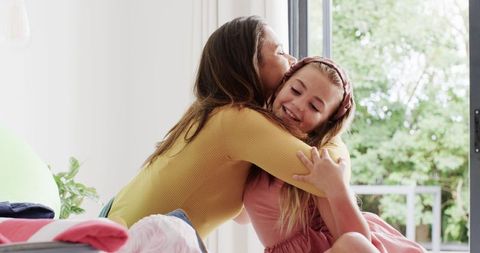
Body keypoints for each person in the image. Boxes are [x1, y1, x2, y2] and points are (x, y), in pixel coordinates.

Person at [103, 15, 351, 244]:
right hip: (133, 243)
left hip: (116, 225)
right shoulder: (238, 120)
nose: (293, 60)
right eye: (280, 51)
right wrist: (332, 128)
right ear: (252, 65)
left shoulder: (211, 113)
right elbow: (323, 176)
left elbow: (242, 213)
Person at [242, 57, 426, 253]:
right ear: (280, 86)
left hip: (338, 245)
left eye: (315, 107)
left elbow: (360, 243)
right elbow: (241, 215)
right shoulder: (259, 142)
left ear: (325, 124)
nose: (298, 104)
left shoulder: (314, 160)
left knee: (353, 243)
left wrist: (335, 187)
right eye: (295, 90)